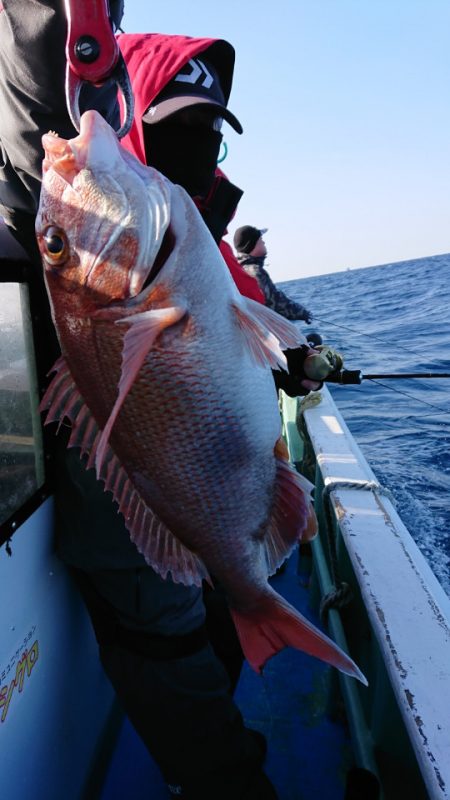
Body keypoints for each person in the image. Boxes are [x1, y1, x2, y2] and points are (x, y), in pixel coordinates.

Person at [0, 5, 280, 798]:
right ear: (129, 116)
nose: (197, 153)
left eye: (209, 135)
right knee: (169, 650)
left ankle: (243, 631)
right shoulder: (93, 208)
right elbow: (42, 105)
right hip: (130, 519)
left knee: (205, 626)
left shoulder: (180, 221)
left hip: (202, 485)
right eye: (175, 128)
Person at [234, 225, 314, 323]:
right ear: (252, 244)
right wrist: (303, 313)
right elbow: (276, 303)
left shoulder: (240, 269)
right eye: (261, 239)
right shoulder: (255, 272)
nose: (264, 242)